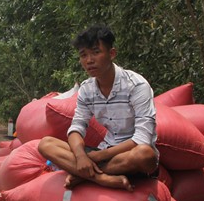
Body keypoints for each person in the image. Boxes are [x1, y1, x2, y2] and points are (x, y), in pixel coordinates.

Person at [38, 24, 158, 191]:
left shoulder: (136, 85)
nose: (89, 60)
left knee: (146, 155)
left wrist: (98, 156)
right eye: (83, 55)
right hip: (102, 153)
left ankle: (83, 176)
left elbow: (142, 138)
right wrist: (80, 156)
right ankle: (102, 179)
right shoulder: (87, 90)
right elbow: (77, 128)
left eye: (96, 52)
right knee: (45, 144)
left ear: (112, 53)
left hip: (128, 155)